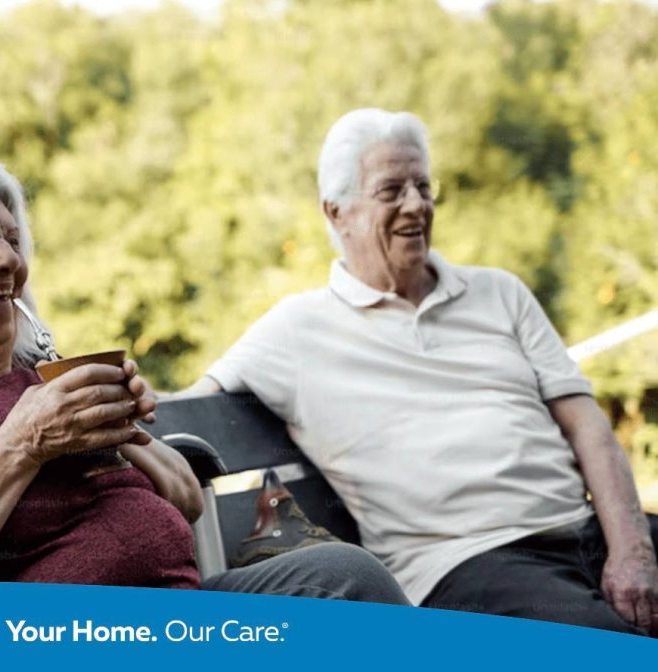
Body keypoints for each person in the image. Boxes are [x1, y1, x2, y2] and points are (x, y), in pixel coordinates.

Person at [0, 151, 408, 604]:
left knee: (346, 580)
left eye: (11, 239)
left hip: (176, 610)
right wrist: (22, 442)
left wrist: (122, 427)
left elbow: (186, 499)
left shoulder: (37, 378)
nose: (8, 261)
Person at [184, 108, 658, 635]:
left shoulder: (500, 292)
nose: (416, 205)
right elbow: (181, 407)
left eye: (424, 186)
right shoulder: (295, 331)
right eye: (391, 191)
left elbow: (587, 425)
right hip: (469, 564)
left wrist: (632, 550)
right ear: (337, 212)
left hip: (587, 533)